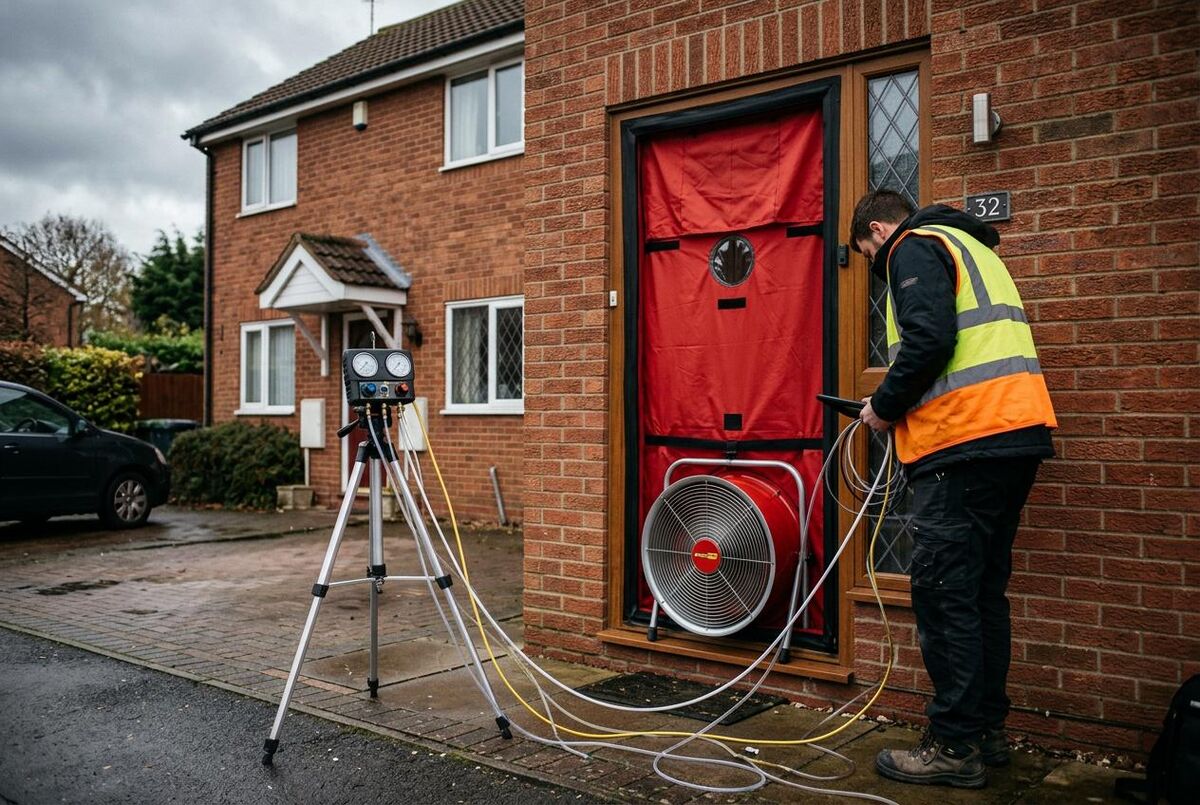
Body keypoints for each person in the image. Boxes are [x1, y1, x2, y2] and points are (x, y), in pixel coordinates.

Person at [851, 190, 1057, 788]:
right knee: (981, 594)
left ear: (881, 229)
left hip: (960, 444)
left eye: (868, 251)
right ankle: (987, 731)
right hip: (1012, 439)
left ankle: (953, 744)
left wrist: (884, 408)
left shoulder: (912, 246)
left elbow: (930, 340)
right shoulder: (972, 247)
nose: (874, 261)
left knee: (943, 597)